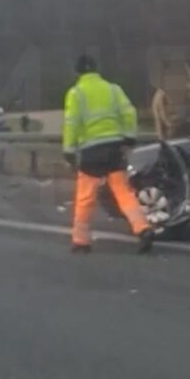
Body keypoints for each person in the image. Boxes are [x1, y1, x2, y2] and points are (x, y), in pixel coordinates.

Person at [63, 55, 154, 254]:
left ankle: (81, 241)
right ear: (97, 69)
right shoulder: (113, 89)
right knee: (123, 192)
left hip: (91, 151)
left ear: (77, 72)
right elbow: (129, 112)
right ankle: (142, 228)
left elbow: (72, 123)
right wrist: (129, 137)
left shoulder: (76, 93)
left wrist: (69, 150)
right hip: (114, 147)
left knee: (86, 195)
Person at [151, 61, 190, 140]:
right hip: (181, 131)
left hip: (166, 136)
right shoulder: (186, 87)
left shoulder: (159, 93)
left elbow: (158, 120)